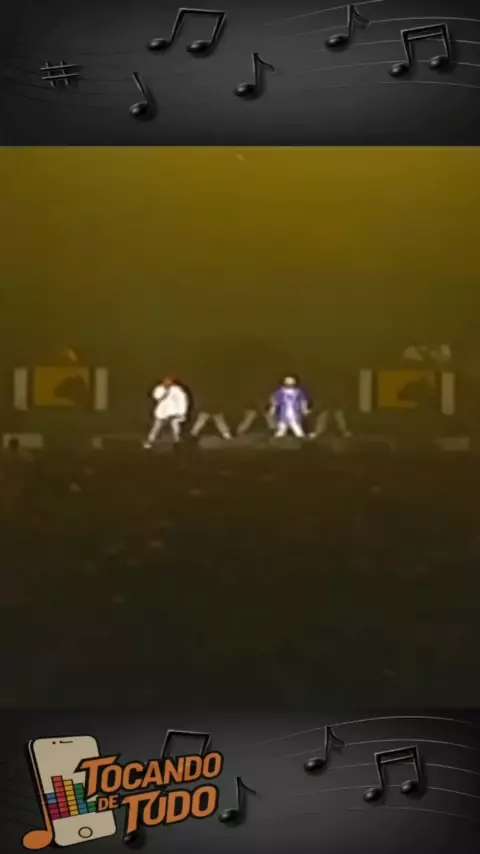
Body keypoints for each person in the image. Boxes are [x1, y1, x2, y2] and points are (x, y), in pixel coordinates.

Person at [143, 377, 189, 448]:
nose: (167, 383)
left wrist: (181, 412)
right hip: (162, 412)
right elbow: (156, 397)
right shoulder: (159, 389)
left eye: (169, 382)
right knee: (156, 427)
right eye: (165, 382)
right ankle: (150, 441)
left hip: (173, 411)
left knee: (175, 425)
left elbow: (182, 400)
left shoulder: (177, 390)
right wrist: (165, 392)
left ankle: (176, 440)